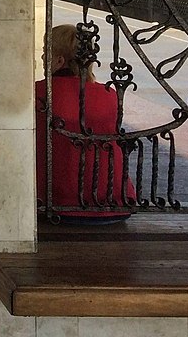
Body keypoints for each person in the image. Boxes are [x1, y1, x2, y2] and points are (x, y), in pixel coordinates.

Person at [35, 24, 135, 224]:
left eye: (46, 52)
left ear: (59, 61)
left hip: (58, 206)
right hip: (115, 204)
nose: (43, 58)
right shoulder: (109, 94)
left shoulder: (39, 93)